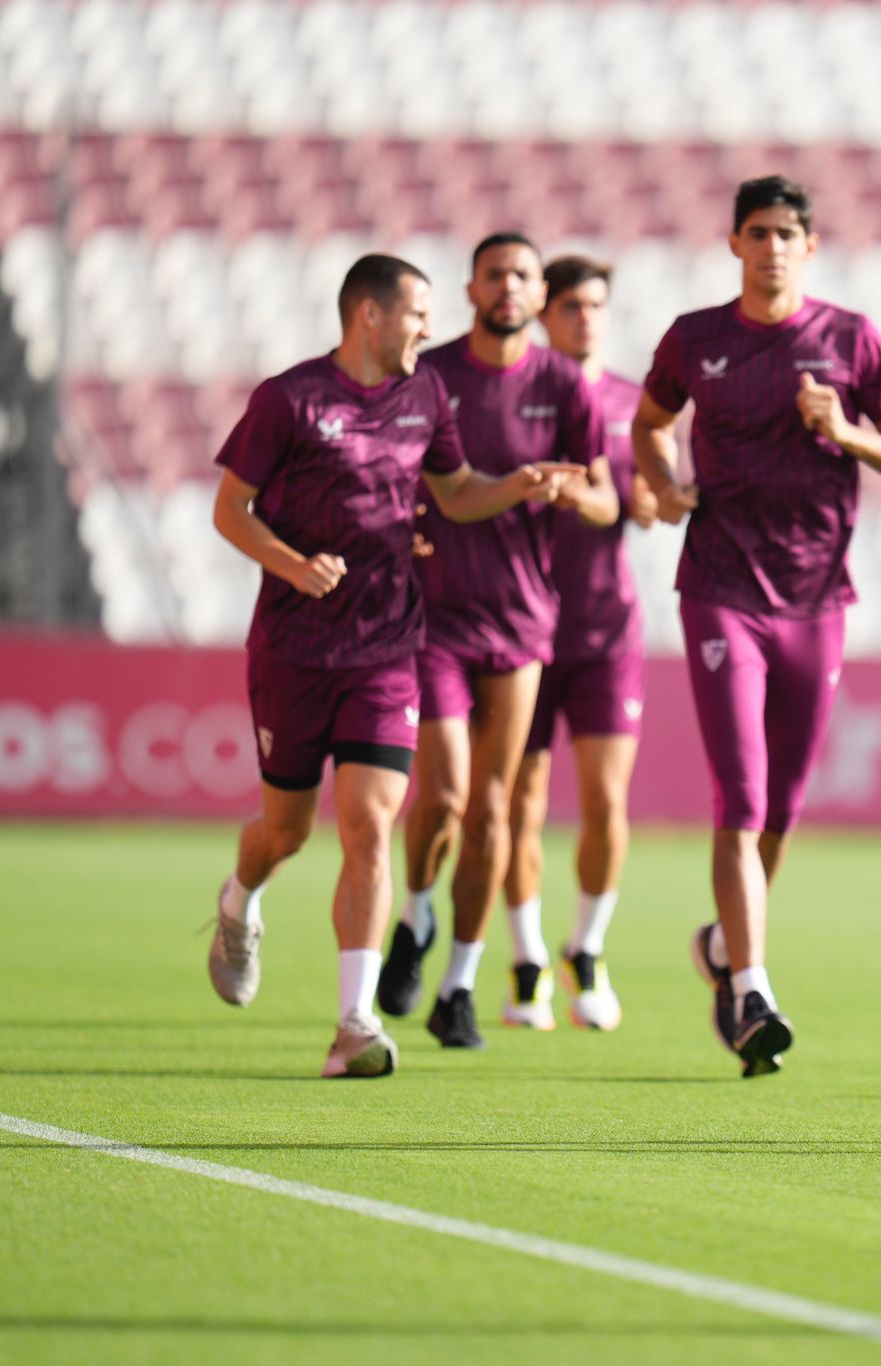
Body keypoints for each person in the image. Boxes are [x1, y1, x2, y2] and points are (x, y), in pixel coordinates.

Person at [206, 253, 587, 1078]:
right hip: (294, 649)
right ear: (370, 316)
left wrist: (521, 483)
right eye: (416, 312)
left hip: (388, 648)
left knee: (372, 827)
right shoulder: (288, 399)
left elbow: (452, 493)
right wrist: (293, 564)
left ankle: (355, 1021)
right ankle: (240, 903)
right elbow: (229, 510)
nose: (428, 325)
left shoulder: (426, 396)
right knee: (285, 833)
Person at [632, 176, 881, 1077]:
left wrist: (848, 433)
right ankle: (753, 985)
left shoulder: (851, 338)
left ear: (809, 246)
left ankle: (724, 946)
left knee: (783, 810)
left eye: (786, 234)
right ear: (734, 244)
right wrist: (664, 482)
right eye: (756, 233)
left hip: (816, 598)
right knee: (742, 793)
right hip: (722, 586)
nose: (771, 247)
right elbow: (648, 425)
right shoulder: (696, 339)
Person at [373, 233, 614, 1050]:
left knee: (494, 810)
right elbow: (387, 468)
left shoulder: (563, 384)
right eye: (494, 274)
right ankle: (414, 915)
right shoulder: (431, 375)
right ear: (471, 288)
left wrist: (575, 494)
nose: (508, 286)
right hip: (434, 617)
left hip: (523, 623)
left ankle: (461, 983)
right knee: (441, 794)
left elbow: (609, 498)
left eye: (523, 275)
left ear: (540, 293)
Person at [503, 255, 658, 1032]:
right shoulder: (514, 395)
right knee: (519, 804)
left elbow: (659, 490)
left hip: (606, 629)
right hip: (519, 626)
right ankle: (527, 960)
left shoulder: (635, 400)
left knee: (605, 802)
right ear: (542, 315)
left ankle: (586, 950)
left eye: (596, 303)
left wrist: (668, 498)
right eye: (569, 305)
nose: (585, 317)